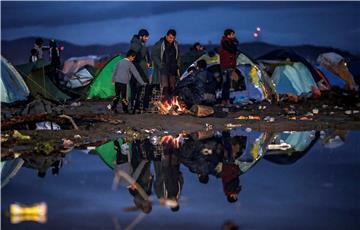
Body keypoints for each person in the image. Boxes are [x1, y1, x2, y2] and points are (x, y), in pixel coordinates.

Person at [152, 29, 181, 102]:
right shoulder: (160, 44)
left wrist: (178, 64)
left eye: (173, 38)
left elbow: (179, 56)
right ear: (167, 36)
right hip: (164, 69)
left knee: (173, 87)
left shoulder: (176, 44)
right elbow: (154, 55)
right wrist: (160, 65)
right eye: (170, 37)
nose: (172, 39)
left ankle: (172, 103)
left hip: (173, 69)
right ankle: (165, 103)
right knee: (165, 87)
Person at [129, 29, 151, 113]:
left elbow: (146, 56)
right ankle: (134, 106)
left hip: (142, 69)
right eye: (145, 37)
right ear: (141, 36)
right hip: (135, 69)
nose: (147, 39)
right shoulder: (135, 44)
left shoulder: (141, 44)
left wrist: (148, 62)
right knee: (135, 88)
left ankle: (140, 106)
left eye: (147, 37)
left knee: (141, 88)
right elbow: (135, 56)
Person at [219, 29, 239, 106]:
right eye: (233, 34)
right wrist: (234, 43)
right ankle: (224, 101)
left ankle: (226, 101)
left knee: (228, 84)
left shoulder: (230, 42)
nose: (234, 36)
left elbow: (235, 48)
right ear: (229, 35)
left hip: (230, 66)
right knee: (225, 84)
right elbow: (232, 50)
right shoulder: (225, 42)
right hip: (225, 66)